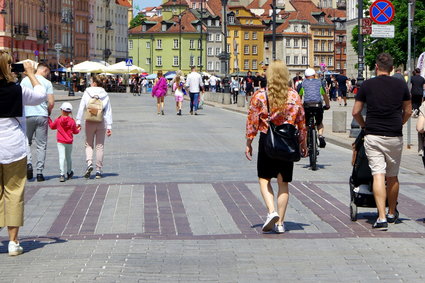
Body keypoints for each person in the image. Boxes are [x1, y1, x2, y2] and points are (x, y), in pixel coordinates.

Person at [245, 60, 307, 234]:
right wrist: (303, 143)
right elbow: (302, 122)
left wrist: (249, 142)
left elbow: (252, 121)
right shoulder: (294, 96)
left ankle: (271, 211)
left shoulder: (260, 95)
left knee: (264, 179)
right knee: (283, 183)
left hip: (268, 141)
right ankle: (280, 223)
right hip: (287, 142)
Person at [352, 53, 411, 231]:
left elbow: (356, 111)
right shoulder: (401, 84)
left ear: (377, 67)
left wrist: (364, 126)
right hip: (394, 135)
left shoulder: (367, 85)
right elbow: (408, 110)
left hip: (373, 134)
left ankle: (382, 217)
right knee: (392, 176)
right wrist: (399, 122)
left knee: (378, 173)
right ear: (392, 69)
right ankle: (392, 212)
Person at [0, 56, 46, 256]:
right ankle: (13, 242)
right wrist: (30, 74)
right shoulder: (18, 90)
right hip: (13, 148)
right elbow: (40, 94)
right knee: (14, 193)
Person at [21, 63, 55, 182]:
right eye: (48, 73)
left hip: (27, 115)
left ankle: (28, 163)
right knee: (41, 145)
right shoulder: (47, 83)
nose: (48, 75)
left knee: (26, 142)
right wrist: (48, 112)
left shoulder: (24, 81)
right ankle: (40, 173)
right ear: (44, 70)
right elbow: (51, 102)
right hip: (42, 115)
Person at [76, 75, 113, 179]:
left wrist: (78, 121)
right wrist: (109, 126)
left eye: (91, 81)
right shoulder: (105, 94)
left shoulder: (87, 92)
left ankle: (89, 164)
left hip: (89, 120)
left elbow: (81, 106)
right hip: (101, 121)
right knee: (100, 146)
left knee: (88, 144)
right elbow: (108, 111)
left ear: (94, 83)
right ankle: (98, 170)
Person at [298, 68, 330, 148]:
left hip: (307, 106)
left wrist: (299, 107)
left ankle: (306, 139)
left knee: (306, 123)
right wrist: (327, 105)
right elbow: (324, 95)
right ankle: (320, 135)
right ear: (314, 75)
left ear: (305, 76)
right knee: (319, 122)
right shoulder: (320, 83)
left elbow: (299, 97)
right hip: (318, 105)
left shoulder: (302, 84)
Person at [48, 102, 80, 182]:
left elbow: (52, 126)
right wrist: (79, 128)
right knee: (68, 157)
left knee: (61, 157)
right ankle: (69, 172)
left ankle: (61, 174)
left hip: (60, 141)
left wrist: (49, 119)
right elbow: (75, 131)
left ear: (61, 110)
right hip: (69, 142)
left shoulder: (58, 120)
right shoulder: (72, 121)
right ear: (70, 112)